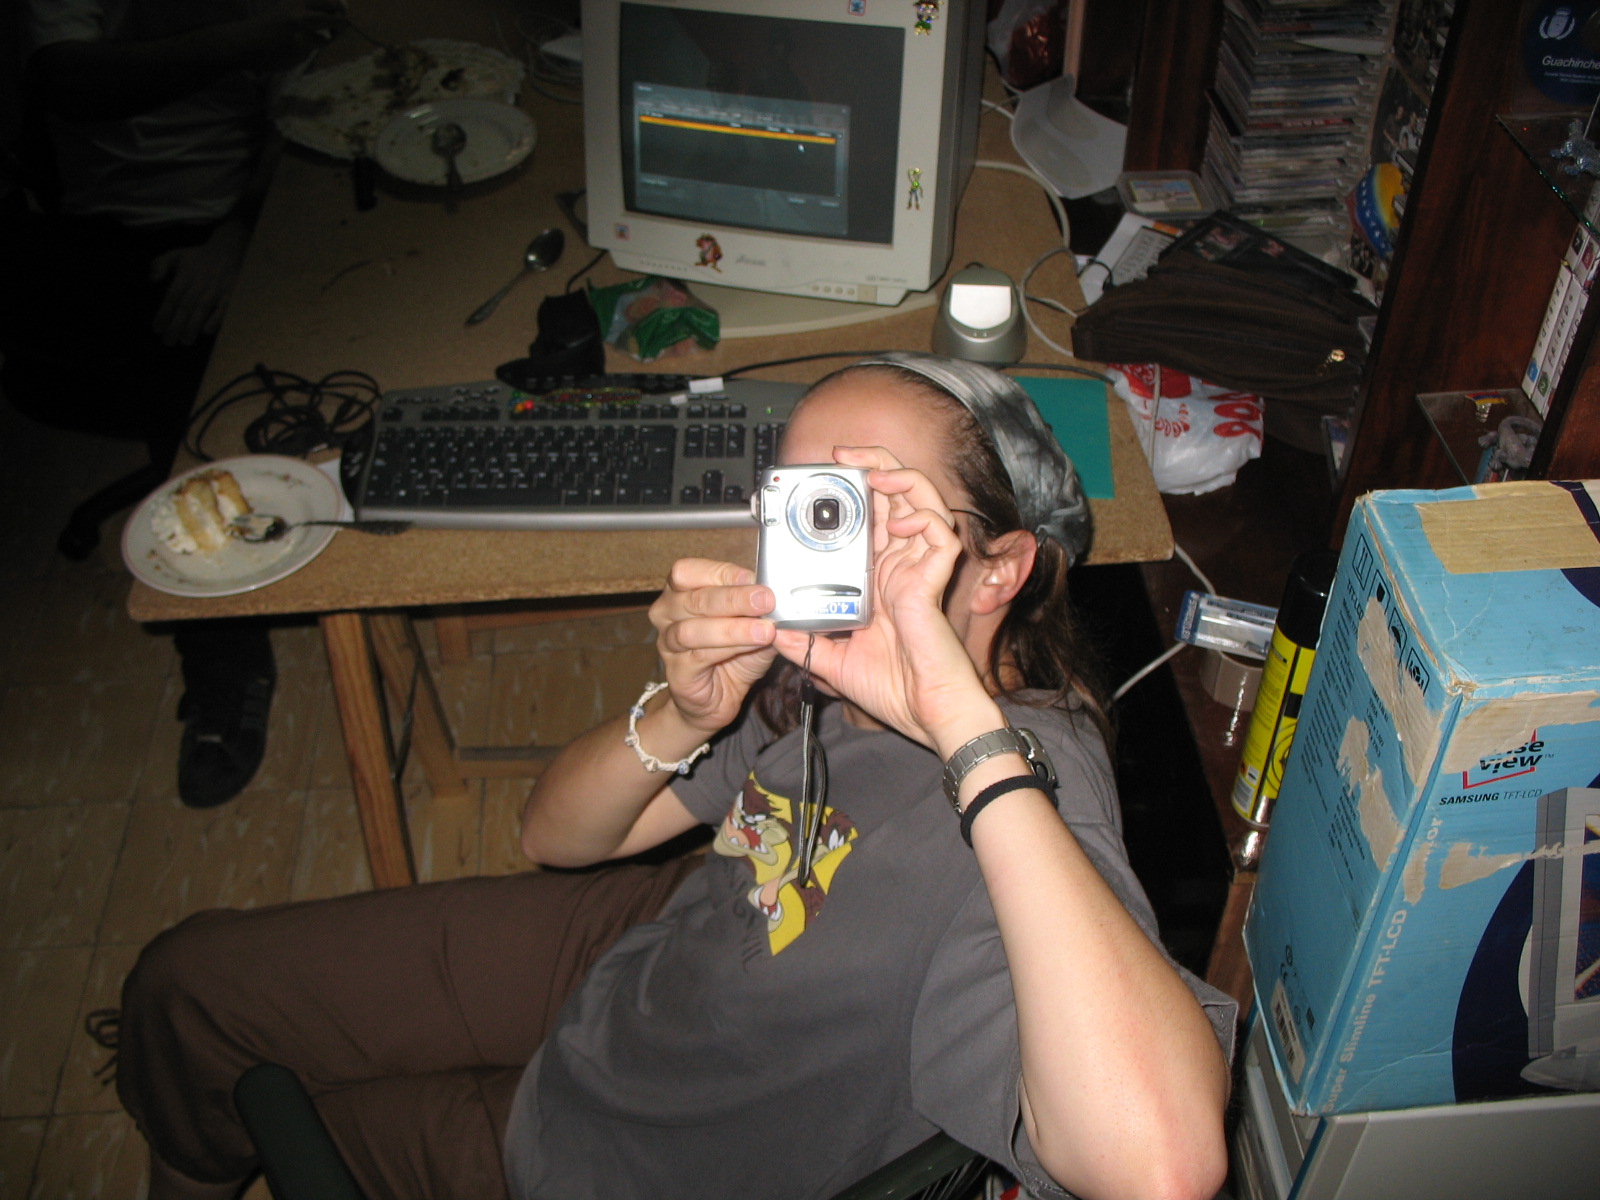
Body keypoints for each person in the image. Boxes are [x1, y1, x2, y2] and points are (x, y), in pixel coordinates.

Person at [116, 353, 1236, 1200]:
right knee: (188, 986)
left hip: (632, 1141)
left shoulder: (1030, 794)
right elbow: (554, 836)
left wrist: (958, 727)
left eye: (879, 509)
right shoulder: (822, 678)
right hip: (651, 950)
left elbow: (1161, 1170)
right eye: (807, 503)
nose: (827, 547)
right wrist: (685, 712)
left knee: (292, 1109)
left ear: (997, 569)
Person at [2, 0, 349, 806]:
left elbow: (300, 123)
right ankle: (227, 664)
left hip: (226, 221)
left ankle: (229, 644)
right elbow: (64, 82)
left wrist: (237, 233)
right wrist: (234, 42)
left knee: (203, 389)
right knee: (181, 396)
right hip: (91, 230)